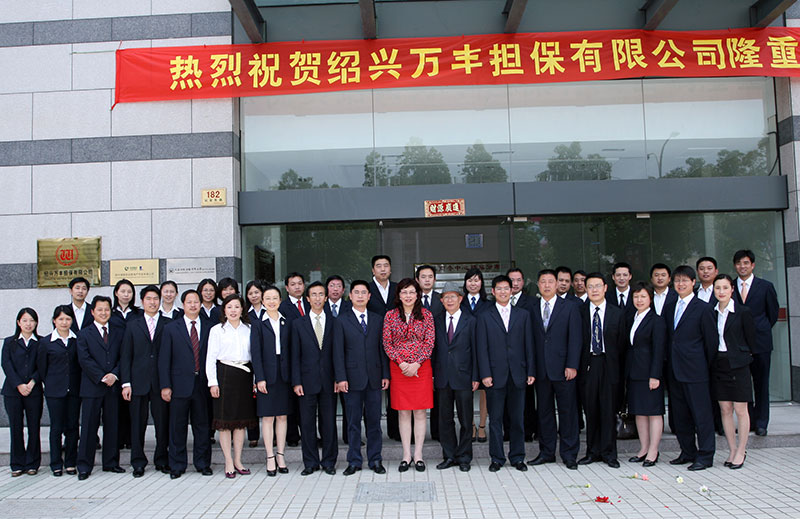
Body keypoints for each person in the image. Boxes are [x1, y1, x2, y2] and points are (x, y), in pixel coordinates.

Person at [476, 275, 534, 472]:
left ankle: (518, 457)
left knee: (517, 419)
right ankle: (497, 458)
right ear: (493, 292)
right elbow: (481, 348)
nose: (503, 292)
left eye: (506, 288)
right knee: (496, 420)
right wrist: (485, 374)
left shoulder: (523, 315)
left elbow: (529, 345)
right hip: (494, 375)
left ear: (512, 291)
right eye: (499, 289)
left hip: (518, 374)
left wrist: (531, 370)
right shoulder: (484, 316)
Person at [663, 265, 718, 471]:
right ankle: (687, 451)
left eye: (685, 280)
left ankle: (706, 455)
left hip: (696, 371)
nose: (680, 284)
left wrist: (703, 366)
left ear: (693, 283)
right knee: (680, 415)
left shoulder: (703, 308)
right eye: (677, 280)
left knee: (701, 415)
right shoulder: (669, 307)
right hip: (674, 370)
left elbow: (711, 343)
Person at [333, 280, 389, 476]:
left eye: (363, 292)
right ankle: (354, 460)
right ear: (350, 296)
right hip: (351, 379)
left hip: (374, 378)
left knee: (374, 422)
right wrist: (341, 378)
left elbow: (382, 349)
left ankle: (375, 459)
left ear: (369, 296)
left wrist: (385, 374)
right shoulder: (341, 320)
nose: (360, 296)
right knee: (353, 423)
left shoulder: (378, 319)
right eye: (356, 292)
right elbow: (338, 352)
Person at [529, 269, 582, 470]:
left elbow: (575, 338)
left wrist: (572, 365)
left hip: (564, 369)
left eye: (550, 281)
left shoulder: (569, 307)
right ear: (538, 284)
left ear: (557, 284)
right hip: (541, 370)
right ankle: (547, 452)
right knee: (544, 413)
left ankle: (569, 454)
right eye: (543, 281)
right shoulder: (531, 308)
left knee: (568, 412)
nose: (547, 285)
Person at [159, 289, 213, 479]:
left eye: (196, 302)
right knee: (177, 426)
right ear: (183, 305)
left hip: (202, 384)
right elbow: (164, 359)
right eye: (189, 302)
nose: (193, 305)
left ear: (201, 304)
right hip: (178, 385)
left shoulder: (210, 326)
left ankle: (203, 463)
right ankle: (177, 465)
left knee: (202, 426)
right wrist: (165, 385)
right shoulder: (171, 328)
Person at [383, 278, 435, 472]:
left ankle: (418, 455)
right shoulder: (390, 316)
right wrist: (402, 363)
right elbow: (387, 343)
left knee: (420, 412)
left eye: (412, 292)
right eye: (404, 292)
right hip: (399, 369)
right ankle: (406, 455)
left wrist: (416, 363)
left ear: (417, 294)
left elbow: (429, 342)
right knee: (403, 411)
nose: (408, 296)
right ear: (398, 295)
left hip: (421, 368)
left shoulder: (426, 315)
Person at [120, 285, 171, 477]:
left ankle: (161, 460)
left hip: (160, 382)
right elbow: (126, 356)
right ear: (142, 301)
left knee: (162, 423)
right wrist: (126, 383)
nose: (152, 302)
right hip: (138, 382)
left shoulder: (168, 324)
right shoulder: (133, 325)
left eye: (156, 299)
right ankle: (138, 462)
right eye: (148, 299)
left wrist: (168, 383)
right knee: (137, 424)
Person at [577, 272, 626, 468]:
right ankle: (592, 451)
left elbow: (622, 344)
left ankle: (609, 453)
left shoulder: (617, 313)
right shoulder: (579, 311)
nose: (594, 290)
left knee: (608, 409)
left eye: (598, 286)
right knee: (591, 409)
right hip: (588, 364)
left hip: (609, 364)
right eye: (590, 286)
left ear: (605, 288)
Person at [292, 282, 340, 476]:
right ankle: (310, 462)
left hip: (329, 381)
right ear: (308, 298)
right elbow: (294, 355)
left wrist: (339, 378)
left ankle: (329, 462)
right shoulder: (298, 324)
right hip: (306, 382)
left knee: (329, 423)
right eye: (314, 294)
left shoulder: (335, 322)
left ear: (326, 298)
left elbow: (338, 353)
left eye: (321, 294)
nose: (318, 298)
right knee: (307, 424)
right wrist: (296, 381)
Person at [206, 294, 256, 478]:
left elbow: (255, 356)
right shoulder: (217, 330)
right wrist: (212, 382)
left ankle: (238, 460)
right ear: (224, 310)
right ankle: (228, 461)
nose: (233, 310)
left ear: (242, 309)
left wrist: (255, 380)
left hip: (245, 376)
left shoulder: (249, 329)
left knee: (241, 422)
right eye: (229, 307)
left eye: (237, 306)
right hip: (225, 375)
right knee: (225, 423)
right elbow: (210, 358)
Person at [76, 295, 124, 480]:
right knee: (89, 427)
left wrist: (114, 375)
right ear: (92, 312)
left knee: (112, 425)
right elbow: (84, 359)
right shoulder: (84, 334)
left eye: (106, 309)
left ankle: (111, 463)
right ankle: (84, 466)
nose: (104, 313)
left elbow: (123, 356)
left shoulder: (118, 332)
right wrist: (102, 377)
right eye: (100, 310)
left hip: (113, 386)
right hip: (92, 386)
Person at [733, 249, 779, 437]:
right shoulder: (730, 286)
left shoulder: (765, 286)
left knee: (761, 383)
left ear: (752, 265)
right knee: (743, 385)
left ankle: (761, 422)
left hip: (761, 343)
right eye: (738, 263)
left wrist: (759, 329)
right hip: (738, 344)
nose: (742, 266)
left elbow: (772, 314)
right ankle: (748, 421)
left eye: (746, 263)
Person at [713, 274, 756, 469]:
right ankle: (732, 449)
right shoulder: (711, 312)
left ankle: (741, 449)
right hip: (719, 364)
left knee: (741, 409)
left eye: (725, 287)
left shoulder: (743, 312)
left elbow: (751, 340)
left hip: (739, 365)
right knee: (725, 409)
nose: (721, 291)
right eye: (717, 288)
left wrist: (743, 356)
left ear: (732, 289)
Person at [433, 283, 478, 472]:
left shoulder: (471, 320)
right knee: (445, 419)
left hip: (464, 376)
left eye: (453, 296)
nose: (450, 300)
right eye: (446, 297)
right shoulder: (436, 320)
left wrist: (476, 376)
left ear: (460, 299)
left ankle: (465, 456)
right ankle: (449, 455)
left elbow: (476, 350)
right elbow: (434, 350)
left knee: (466, 419)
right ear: (441, 301)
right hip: (443, 377)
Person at [251, 285, 292, 477]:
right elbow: (255, 353)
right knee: (268, 417)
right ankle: (269, 456)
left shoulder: (287, 322)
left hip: (284, 375)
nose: (271, 301)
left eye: (275, 298)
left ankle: (281, 455)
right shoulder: (258, 324)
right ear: (262, 301)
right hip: (266, 375)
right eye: (267, 298)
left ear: (280, 300)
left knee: (282, 416)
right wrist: (259, 378)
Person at [625, 282, 666, 467]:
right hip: (634, 372)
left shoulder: (656, 320)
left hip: (650, 373)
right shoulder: (631, 318)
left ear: (650, 298)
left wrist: (655, 375)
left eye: (643, 296)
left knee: (653, 412)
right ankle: (643, 448)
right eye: (636, 296)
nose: (639, 300)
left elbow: (659, 350)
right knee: (639, 412)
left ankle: (653, 451)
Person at [38, 305, 81, 476]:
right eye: (61, 319)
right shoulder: (46, 342)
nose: (64, 322)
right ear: (54, 321)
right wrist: (51, 383)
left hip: (74, 390)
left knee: (72, 427)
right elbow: (42, 368)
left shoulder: (77, 340)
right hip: (54, 391)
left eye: (68, 319)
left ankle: (70, 462)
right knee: (56, 427)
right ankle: (56, 463)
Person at [2, 308, 42, 476]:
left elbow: (42, 366)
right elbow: (6, 364)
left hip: (34, 390)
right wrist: (19, 384)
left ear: (36, 323)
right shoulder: (9, 342)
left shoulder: (41, 342)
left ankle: (32, 463)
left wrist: (31, 383)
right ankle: (17, 463)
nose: (28, 324)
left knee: (34, 427)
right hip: (13, 391)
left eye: (31, 320)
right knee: (16, 427)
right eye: (25, 320)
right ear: (19, 322)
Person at [368, 256, 400, 441]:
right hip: (372, 346)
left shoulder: (398, 289)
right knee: (372, 393)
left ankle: (395, 430)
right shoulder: (366, 290)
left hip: (396, 347)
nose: (382, 269)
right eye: (378, 266)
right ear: (373, 270)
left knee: (395, 390)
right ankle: (373, 433)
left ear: (390, 269)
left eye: (386, 265)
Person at [461, 267, 490, 443]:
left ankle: (482, 426)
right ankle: (471, 425)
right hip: (464, 353)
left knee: (484, 390)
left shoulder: (489, 304)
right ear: (465, 283)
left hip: (484, 352)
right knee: (467, 391)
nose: (473, 283)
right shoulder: (460, 303)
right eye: (470, 280)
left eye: (476, 280)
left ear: (481, 283)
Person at [110, 278, 138, 451]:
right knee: (117, 404)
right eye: (123, 291)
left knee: (132, 404)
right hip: (114, 362)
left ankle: (131, 438)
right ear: (116, 293)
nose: (126, 295)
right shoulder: (110, 313)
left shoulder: (138, 313)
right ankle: (119, 439)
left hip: (134, 362)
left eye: (129, 292)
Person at [416, 264, 443, 441]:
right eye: (423, 277)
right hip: (417, 356)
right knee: (417, 396)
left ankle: (437, 432)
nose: (427, 280)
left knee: (438, 396)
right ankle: (415, 433)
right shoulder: (411, 298)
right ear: (417, 280)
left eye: (430, 277)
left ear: (434, 279)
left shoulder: (442, 299)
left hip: (439, 353)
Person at [325, 274, 351, 444]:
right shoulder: (319, 307)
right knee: (327, 406)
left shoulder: (350, 307)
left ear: (343, 290)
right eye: (332, 286)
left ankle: (349, 437)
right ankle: (329, 439)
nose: (335, 289)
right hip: (325, 363)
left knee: (349, 404)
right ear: (327, 289)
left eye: (338, 286)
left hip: (347, 362)